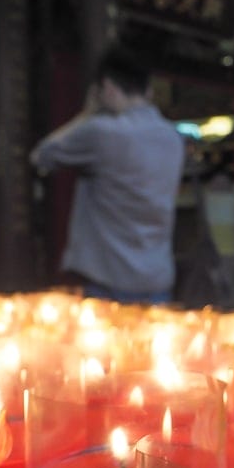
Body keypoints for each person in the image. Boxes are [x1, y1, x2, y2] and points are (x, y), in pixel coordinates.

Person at [30, 47, 185, 305]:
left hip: (110, 281)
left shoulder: (102, 132)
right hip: (157, 279)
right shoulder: (173, 138)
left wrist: (87, 113)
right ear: (148, 90)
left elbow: (41, 156)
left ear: (108, 88)